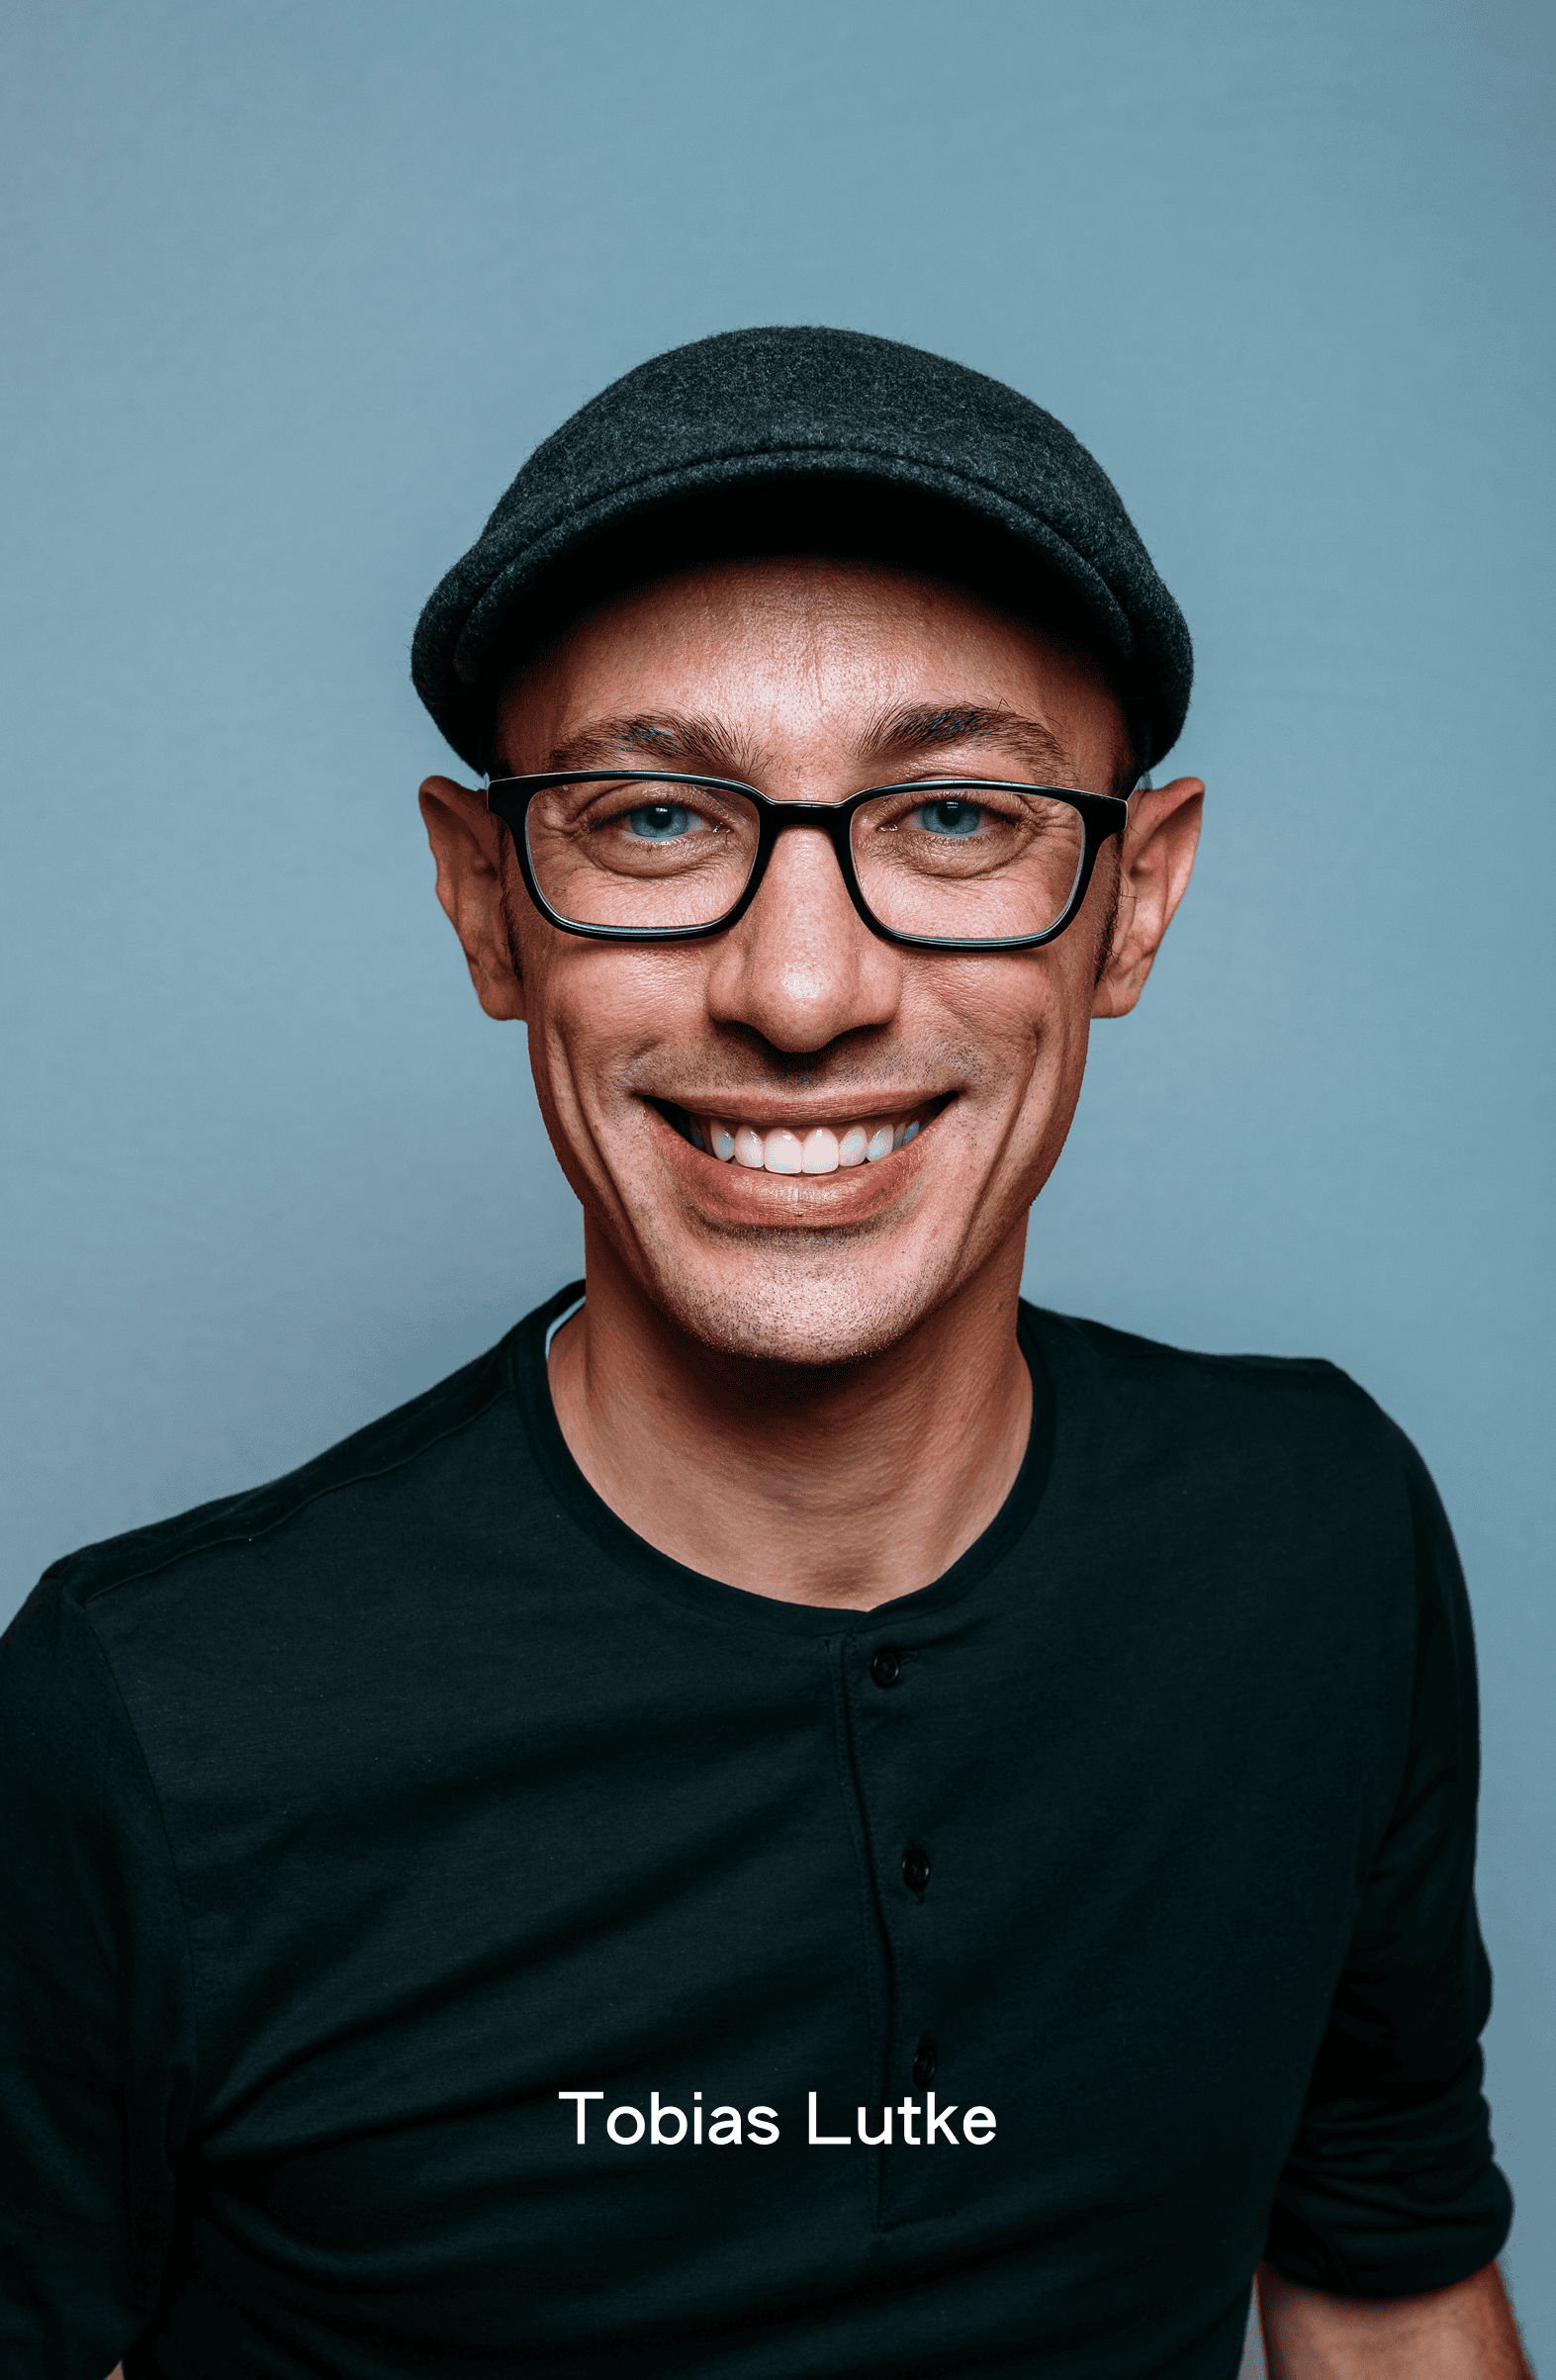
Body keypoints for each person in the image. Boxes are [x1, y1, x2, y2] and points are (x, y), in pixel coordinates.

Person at [0, 327, 1525, 2380]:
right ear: (486, 904)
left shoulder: (1319, 1545)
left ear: (1135, 902)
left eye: (959, 814)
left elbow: (1384, 2291)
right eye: (651, 818)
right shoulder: (146, 1721)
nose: (802, 989)